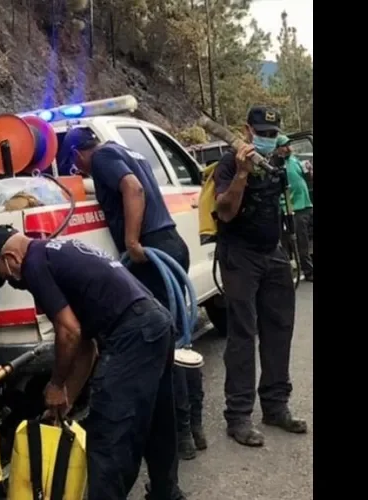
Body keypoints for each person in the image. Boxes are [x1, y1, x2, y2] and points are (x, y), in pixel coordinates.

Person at [0, 226, 186, 500]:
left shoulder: (34, 263)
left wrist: (56, 384)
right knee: (156, 420)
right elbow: (86, 346)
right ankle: (167, 493)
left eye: (5, 276)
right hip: (154, 324)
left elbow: (68, 332)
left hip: (131, 333)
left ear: (9, 257)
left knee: (109, 435)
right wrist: (66, 398)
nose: (12, 283)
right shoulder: (56, 252)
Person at [63, 128, 207, 458]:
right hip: (169, 243)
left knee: (163, 346)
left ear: (77, 154)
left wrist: (130, 241)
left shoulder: (102, 158)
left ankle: (181, 432)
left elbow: (133, 188)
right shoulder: (122, 151)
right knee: (180, 341)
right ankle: (194, 427)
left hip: (151, 250)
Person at [213, 106, 308, 447]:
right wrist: (241, 173)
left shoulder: (277, 164)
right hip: (239, 255)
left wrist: (283, 159)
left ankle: (275, 405)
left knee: (280, 328)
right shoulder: (228, 164)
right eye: (262, 133)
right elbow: (224, 211)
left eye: (273, 134)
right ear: (247, 131)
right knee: (242, 333)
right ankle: (238, 416)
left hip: (274, 252)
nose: (268, 139)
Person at [275, 135, 314, 282]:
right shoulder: (277, 165)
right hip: (292, 208)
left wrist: (310, 173)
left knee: (305, 239)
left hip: (305, 204)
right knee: (298, 241)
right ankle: (306, 270)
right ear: (278, 149)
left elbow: (306, 178)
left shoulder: (295, 160)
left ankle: (306, 266)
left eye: (289, 145)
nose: (288, 148)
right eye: (284, 145)